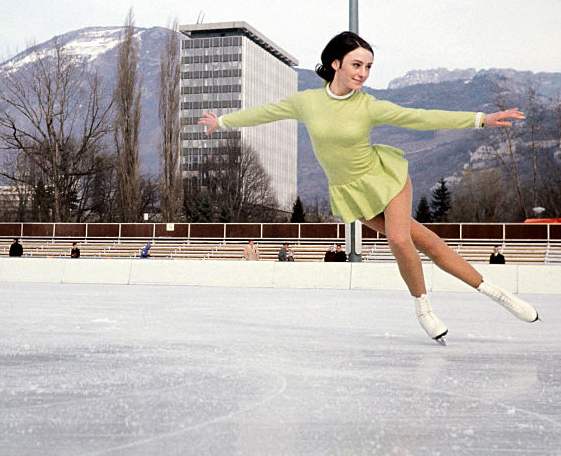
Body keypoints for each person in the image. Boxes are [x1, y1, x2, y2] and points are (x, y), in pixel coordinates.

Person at [199, 31, 538, 342]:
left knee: (398, 238)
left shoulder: (368, 106)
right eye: (356, 65)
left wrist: (480, 119)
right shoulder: (306, 102)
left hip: (384, 179)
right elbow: (266, 113)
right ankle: (500, 295)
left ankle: (425, 311)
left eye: (368, 67)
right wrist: (223, 121)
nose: (362, 73)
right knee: (430, 244)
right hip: (352, 195)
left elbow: (420, 117)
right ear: (336, 64)